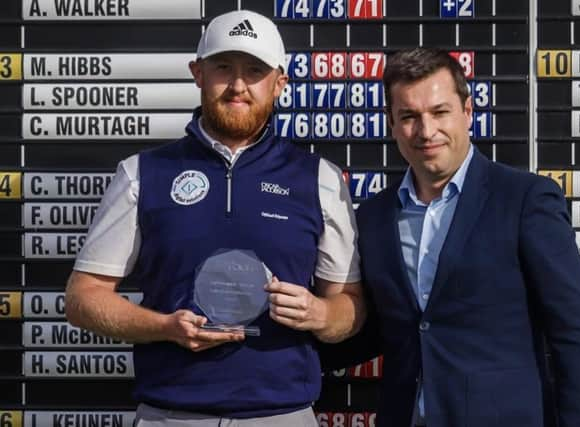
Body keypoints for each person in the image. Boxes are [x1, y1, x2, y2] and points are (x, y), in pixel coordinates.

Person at [65, 9, 365, 426]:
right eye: (223, 67)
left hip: (283, 416)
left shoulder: (320, 179)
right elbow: (83, 299)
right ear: (198, 73)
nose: (238, 85)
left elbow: (350, 306)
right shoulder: (141, 173)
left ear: (279, 83)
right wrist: (165, 327)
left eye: (254, 71)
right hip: (170, 415)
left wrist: (321, 314)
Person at [327, 48, 580, 427]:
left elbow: (574, 332)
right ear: (391, 123)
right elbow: (381, 329)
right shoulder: (374, 217)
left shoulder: (525, 200)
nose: (426, 131)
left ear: (468, 112)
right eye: (409, 117)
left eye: (440, 112)